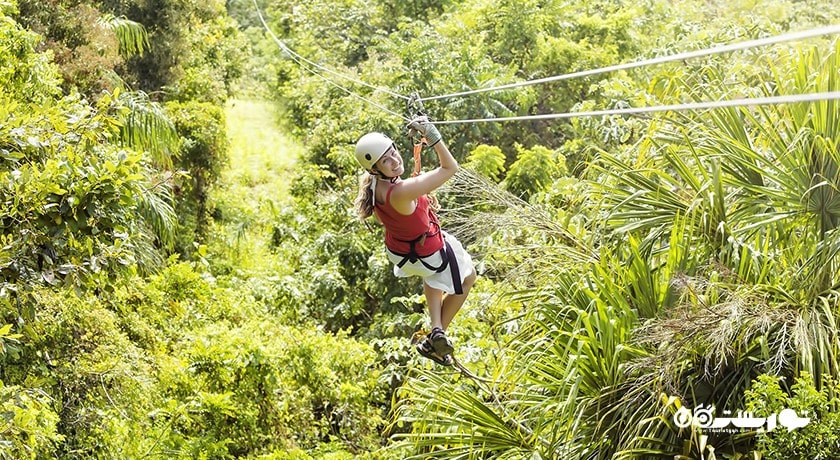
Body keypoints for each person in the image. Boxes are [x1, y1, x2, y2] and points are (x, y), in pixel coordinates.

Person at [353, 116, 476, 366]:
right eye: (386, 160)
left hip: (402, 254)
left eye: (393, 152)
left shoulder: (374, 184)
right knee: (469, 276)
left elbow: (401, 184)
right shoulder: (401, 192)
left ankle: (437, 327)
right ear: (376, 169)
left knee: (433, 270)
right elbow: (450, 168)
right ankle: (435, 337)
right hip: (425, 254)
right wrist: (434, 137)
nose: (395, 160)